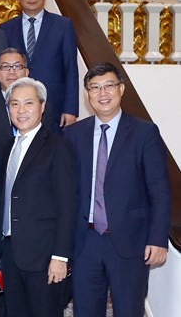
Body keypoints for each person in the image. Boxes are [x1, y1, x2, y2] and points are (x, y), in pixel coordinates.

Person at [64, 62, 170, 317]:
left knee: (128, 311)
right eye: (94, 88)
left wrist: (158, 239)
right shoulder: (73, 135)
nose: (103, 93)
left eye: (109, 86)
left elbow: (159, 189)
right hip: (85, 241)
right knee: (85, 311)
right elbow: (66, 190)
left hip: (129, 242)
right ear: (87, 94)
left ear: (121, 89)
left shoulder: (144, 132)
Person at [0, 77, 77, 317]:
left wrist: (60, 256)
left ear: (42, 106)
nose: (21, 110)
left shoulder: (58, 147)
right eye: (14, 104)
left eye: (28, 103)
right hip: (10, 254)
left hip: (44, 258)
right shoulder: (5, 148)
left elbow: (68, 206)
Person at [0, 0, 79, 131]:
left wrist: (70, 109)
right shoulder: (5, 29)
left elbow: (70, 69)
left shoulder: (63, 26)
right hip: (18, 107)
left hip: (54, 106)